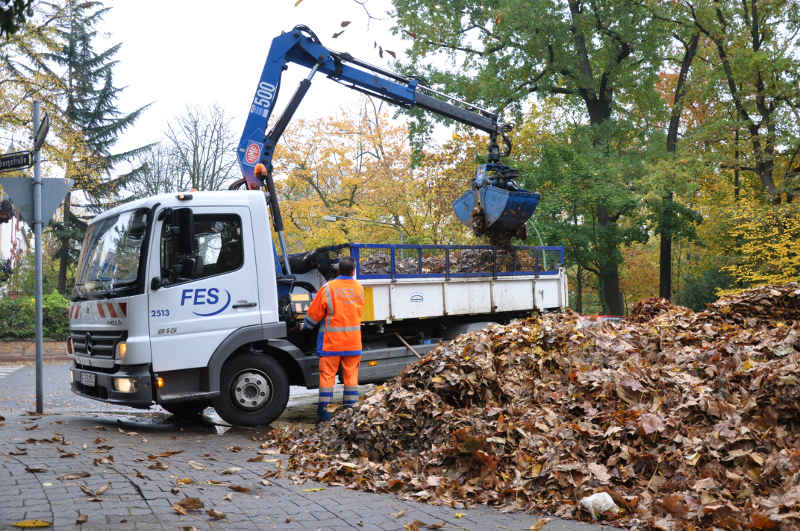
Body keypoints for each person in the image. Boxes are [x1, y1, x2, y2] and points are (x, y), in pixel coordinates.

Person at [300, 256, 364, 423]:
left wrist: (304, 326)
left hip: (332, 344)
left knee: (327, 378)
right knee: (351, 379)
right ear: (353, 270)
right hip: (353, 343)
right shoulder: (359, 288)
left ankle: (325, 416)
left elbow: (314, 314)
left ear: (337, 270)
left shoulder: (328, 288)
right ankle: (350, 416)